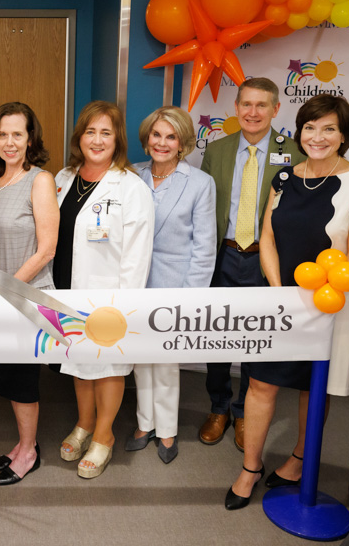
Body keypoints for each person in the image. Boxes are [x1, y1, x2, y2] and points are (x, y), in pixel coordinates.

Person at [226, 94, 349, 510]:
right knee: (260, 383)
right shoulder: (284, 179)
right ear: (299, 132)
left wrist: (315, 296)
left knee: (315, 387)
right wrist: (279, 294)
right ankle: (250, 467)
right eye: (310, 127)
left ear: (344, 135)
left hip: (329, 304)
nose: (318, 136)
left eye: (329, 128)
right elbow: (268, 237)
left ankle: (298, 459)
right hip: (281, 300)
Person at [199, 77, 305, 451]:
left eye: (262, 105)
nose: (253, 112)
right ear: (236, 107)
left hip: (266, 260)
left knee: (253, 339)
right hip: (223, 255)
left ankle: (245, 412)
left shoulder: (295, 152)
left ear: (276, 109)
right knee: (216, 336)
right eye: (246, 104)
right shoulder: (218, 150)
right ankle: (218, 407)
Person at [56, 101, 154, 478]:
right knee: (80, 360)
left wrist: (123, 304)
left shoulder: (130, 187)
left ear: (118, 140)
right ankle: (83, 423)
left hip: (109, 294)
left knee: (108, 364)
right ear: (79, 136)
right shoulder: (63, 177)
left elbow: (137, 254)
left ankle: (103, 435)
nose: (96, 140)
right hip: (67, 288)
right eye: (90, 132)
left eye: (106, 133)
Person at [0, 102, 58, 486]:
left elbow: (46, 249)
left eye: (18, 134)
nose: (10, 142)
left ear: (31, 139)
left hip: (26, 298)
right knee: (7, 377)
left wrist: (5, 284)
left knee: (23, 379)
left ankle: (29, 451)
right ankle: (23, 442)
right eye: (3, 134)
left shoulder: (40, 180)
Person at [131, 106, 216, 464]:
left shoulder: (200, 182)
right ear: (147, 138)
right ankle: (144, 422)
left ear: (182, 143)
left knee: (165, 361)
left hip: (174, 286)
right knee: (138, 357)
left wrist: (190, 297)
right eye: (156, 135)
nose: (162, 143)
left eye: (170, 137)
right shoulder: (130, 175)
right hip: (133, 283)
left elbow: (204, 246)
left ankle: (166, 429)